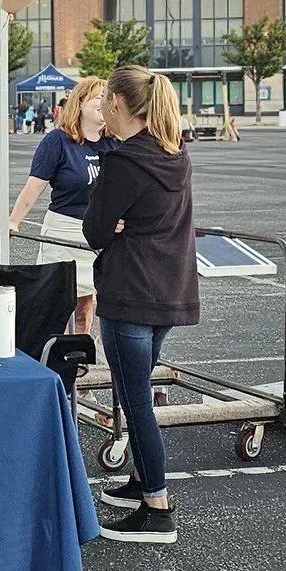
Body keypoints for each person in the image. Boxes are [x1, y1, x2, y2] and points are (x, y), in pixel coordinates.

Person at [82, 67, 201, 546]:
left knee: (135, 401)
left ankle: (157, 506)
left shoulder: (123, 162)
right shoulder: (175, 154)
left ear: (116, 102)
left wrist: (113, 225)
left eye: (106, 101)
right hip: (169, 290)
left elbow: (94, 230)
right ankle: (140, 481)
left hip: (129, 290)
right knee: (138, 393)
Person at [6, 76, 116, 336]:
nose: (104, 102)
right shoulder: (58, 141)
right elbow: (34, 187)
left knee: (86, 305)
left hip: (101, 234)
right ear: (80, 102)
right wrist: (13, 221)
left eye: (108, 98)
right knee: (60, 303)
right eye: (99, 97)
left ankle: (81, 347)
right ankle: (57, 349)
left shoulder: (115, 143)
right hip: (64, 231)